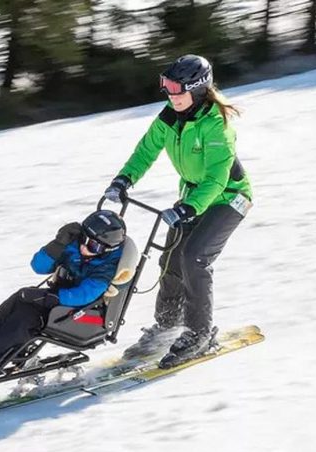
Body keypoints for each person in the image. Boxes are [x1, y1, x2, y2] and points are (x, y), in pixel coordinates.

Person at [104, 54, 253, 368]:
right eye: (167, 87)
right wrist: (123, 179)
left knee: (194, 258)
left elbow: (217, 177)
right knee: (171, 258)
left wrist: (189, 207)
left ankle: (199, 333)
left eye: (177, 89)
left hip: (229, 198)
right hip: (193, 197)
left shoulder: (216, 124)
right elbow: (146, 150)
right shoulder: (170, 116)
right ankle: (167, 327)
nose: (171, 95)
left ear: (198, 89)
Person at [0, 210, 126, 388]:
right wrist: (57, 245)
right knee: (19, 299)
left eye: (94, 247)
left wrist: (53, 298)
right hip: (59, 302)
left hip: (83, 314)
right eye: (84, 240)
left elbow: (87, 293)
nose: (85, 247)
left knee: (27, 318)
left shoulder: (107, 265)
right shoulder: (72, 244)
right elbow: (38, 266)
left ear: (108, 250)